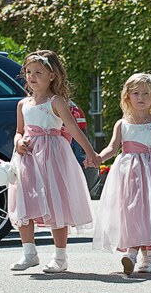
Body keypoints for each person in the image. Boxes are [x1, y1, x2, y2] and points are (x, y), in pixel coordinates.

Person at [8, 50, 99, 273]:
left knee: (56, 203)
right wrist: (18, 142)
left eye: (38, 72)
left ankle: (60, 256)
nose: (32, 76)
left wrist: (91, 154)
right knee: (25, 203)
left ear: (52, 76)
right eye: (28, 72)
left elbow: (74, 130)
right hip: (28, 159)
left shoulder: (55, 101)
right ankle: (29, 252)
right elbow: (19, 131)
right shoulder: (23, 104)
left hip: (53, 157)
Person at [92, 73, 151, 275]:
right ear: (127, 97)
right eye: (136, 93)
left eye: (146, 94)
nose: (141, 98)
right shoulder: (122, 124)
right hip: (128, 176)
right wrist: (98, 158)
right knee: (130, 212)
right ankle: (131, 253)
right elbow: (112, 148)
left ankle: (148, 257)